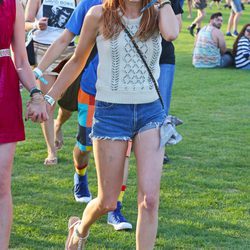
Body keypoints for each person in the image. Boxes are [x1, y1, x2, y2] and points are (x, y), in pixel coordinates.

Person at [41, 0, 179, 248]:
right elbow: (77, 60)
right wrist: (51, 97)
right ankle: (79, 228)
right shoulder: (98, 14)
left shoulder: (157, 13)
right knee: (108, 202)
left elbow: (172, 33)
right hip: (111, 113)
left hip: (150, 112)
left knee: (149, 199)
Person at [35, 0, 133, 231]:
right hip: (91, 88)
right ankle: (80, 175)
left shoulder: (139, 5)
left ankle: (115, 209)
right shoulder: (91, 5)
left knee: (123, 151)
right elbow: (64, 40)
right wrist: (39, 71)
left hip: (125, 94)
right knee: (85, 147)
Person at [0, 0, 48, 248]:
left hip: (3, 93)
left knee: (1, 180)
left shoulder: (12, 5)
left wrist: (36, 94)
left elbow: (20, 60)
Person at [25, 0, 79, 165]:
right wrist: (35, 24)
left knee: (69, 104)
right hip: (43, 51)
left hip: (69, 52)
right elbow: (25, 22)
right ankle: (51, 151)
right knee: (48, 102)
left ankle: (59, 124)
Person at [158, 0, 183, 164]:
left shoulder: (170, 1)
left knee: (162, 106)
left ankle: (160, 151)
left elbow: (176, 30)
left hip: (164, 58)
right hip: (139, 59)